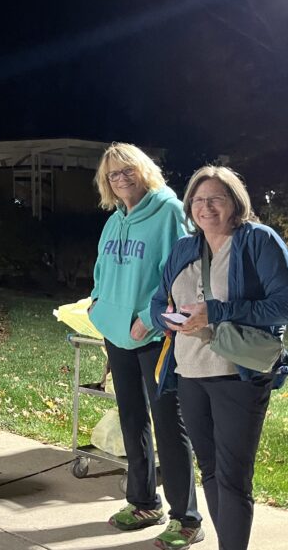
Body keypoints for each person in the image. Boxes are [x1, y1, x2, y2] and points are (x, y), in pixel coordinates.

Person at [151, 166, 288, 550]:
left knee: (233, 477)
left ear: (235, 201)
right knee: (211, 470)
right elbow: (158, 300)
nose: (206, 207)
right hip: (190, 373)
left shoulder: (258, 241)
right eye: (198, 200)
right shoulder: (184, 248)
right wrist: (166, 319)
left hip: (239, 374)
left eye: (216, 199)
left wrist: (216, 312)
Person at [87, 143, 203, 549]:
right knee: (131, 419)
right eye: (112, 175)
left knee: (170, 424)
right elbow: (101, 270)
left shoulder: (169, 212)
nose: (121, 179)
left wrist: (148, 318)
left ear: (144, 170)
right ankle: (143, 503)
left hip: (155, 337)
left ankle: (187, 519)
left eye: (127, 171)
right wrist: (99, 305)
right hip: (117, 335)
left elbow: (182, 274)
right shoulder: (114, 220)